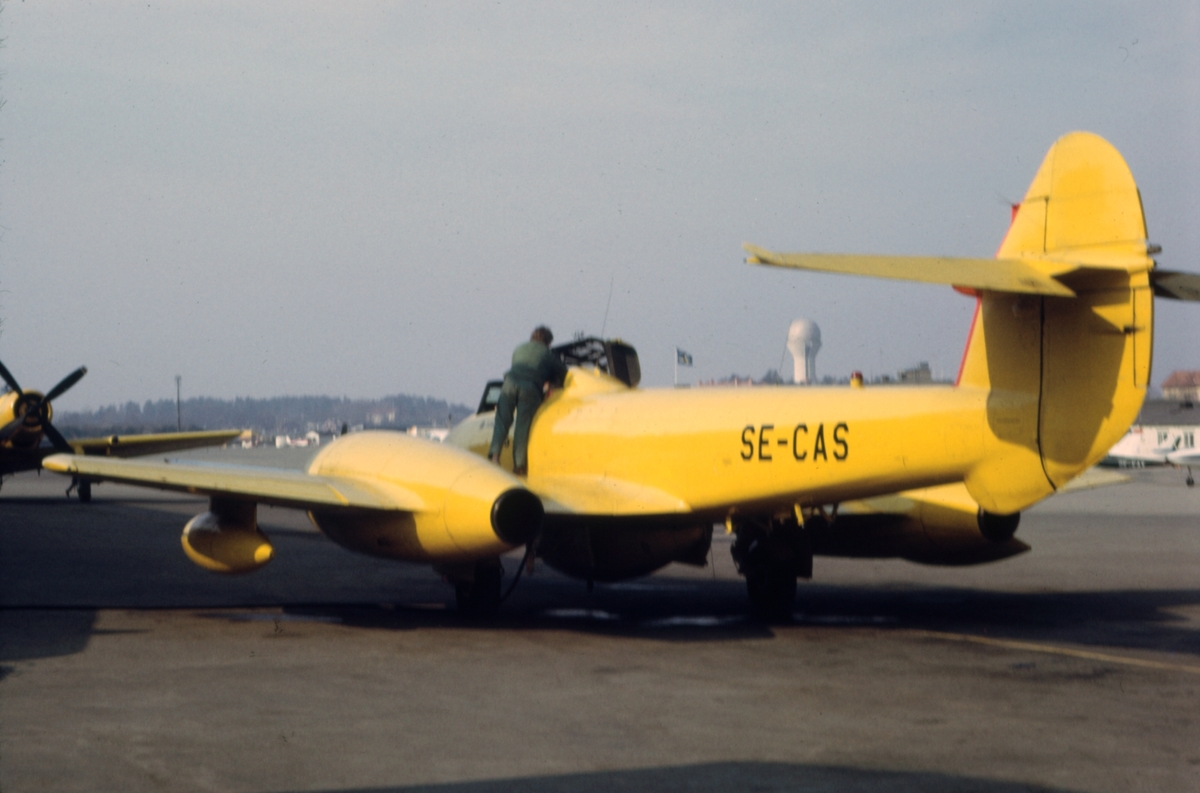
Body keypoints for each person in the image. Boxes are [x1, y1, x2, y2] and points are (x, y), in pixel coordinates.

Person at [488, 326, 568, 476]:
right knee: (522, 427)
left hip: (508, 385)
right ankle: (519, 466)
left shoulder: (519, 349)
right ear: (547, 341)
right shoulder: (548, 354)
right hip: (529, 390)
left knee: (502, 420)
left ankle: (495, 456)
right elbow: (564, 374)